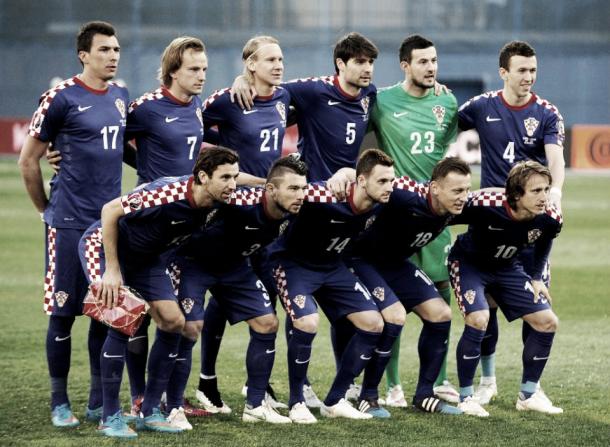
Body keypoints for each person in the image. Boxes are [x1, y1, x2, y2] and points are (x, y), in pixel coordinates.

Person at [232, 31, 380, 403]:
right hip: (306, 205)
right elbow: (268, 90)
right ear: (340, 64)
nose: (366, 69)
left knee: (339, 302)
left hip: (345, 211)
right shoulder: (313, 90)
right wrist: (241, 79)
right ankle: (260, 386)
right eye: (359, 62)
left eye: (370, 62)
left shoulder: (370, 96)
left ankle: (327, 389)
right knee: (275, 295)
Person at [78, 147, 239, 438]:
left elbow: (263, 190)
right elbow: (110, 210)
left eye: (235, 177)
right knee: (121, 319)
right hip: (104, 248)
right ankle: (109, 416)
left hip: (148, 260)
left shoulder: (220, 201)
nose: (233, 184)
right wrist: (112, 270)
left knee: (173, 321)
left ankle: (149, 411)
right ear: (203, 176)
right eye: (226, 177)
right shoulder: (168, 192)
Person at [18, 21, 128, 428]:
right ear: (84, 55)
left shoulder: (120, 96)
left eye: (116, 49)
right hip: (66, 222)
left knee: (105, 312)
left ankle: (99, 400)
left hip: (107, 226)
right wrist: (44, 209)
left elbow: (121, 146)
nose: (113, 56)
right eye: (104, 50)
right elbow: (28, 160)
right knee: (63, 313)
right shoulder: (59, 98)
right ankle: (59, 400)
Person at [458, 40, 565, 405]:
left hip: (530, 226)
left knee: (535, 303)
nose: (528, 77)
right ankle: (487, 380)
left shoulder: (547, 113)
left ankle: (530, 390)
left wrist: (556, 193)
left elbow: (555, 159)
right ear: (504, 71)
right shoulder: (480, 106)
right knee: (485, 305)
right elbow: (444, 127)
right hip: (491, 219)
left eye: (533, 70)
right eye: (521, 70)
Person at [194, 35, 294, 413]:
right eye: (269, 59)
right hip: (234, 212)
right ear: (250, 64)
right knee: (222, 294)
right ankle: (207, 379)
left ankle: (260, 384)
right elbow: (191, 128)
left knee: (266, 297)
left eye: (281, 58)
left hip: (268, 214)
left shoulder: (283, 98)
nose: (278, 64)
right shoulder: (227, 100)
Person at [172, 155, 309, 424]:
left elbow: (336, 186)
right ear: (271, 190)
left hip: (235, 268)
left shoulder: (297, 202)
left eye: (303, 188)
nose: (301, 195)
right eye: (294, 188)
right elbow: (211, 188)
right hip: (194, 264)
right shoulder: (240, 201)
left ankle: (255, 406)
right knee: (189, 328)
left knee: (267, 323)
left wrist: (343, 174)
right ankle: (173, 406)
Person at [263, 148, 396, 423]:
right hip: (293, 264)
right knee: (307, 323)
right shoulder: (323, 196)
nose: (389, 187)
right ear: (361, 182)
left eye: (391, 181)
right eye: (382, 181)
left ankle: (335, 400)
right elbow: (286, 195)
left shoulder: (384, 201)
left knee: (374, 323)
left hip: (333, 267)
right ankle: (297, 401)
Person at [368, 34, 460, 406]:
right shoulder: (382, 101)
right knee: (395, 304)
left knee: (441, 293)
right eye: (423, 62)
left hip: (436, 215)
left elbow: (444, 148)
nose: (431, 68)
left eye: (434, 61)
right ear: (405, 65)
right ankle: (392, 387)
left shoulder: (447, 101)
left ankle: (437, 379)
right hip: (395, 216)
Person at [121, 35, 209, 420]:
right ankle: (140, 396)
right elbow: (113, 141)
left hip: (186, 228)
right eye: (193, 69)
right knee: (143, 315)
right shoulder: (145, 107)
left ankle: (172, 397)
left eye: (204, 69)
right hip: (150, 227)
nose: (201, 75)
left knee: (184, 320)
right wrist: (144, 173)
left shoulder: (197, 107)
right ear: (173, 70)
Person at [344, 157, 470, 416]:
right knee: (394, 316)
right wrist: (342, 173)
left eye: (467, 190)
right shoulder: (404, 193)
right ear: (435, 188)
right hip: (361, 259)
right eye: (457, 190)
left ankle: (424, 394)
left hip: (395, 264)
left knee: (441, 314)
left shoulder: (457, 207)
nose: (463, 197)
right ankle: (369, 395)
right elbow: (364, 181)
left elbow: (493, 201)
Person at [448, 161, 563, 417]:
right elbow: (444, 212)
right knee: (479, 318)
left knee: (547, 321)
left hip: (507, 268)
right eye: (536, 191)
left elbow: (545, 241)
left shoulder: (551, 217)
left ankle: (529, 394)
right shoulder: (483, 203)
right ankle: (466, 397)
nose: (544, 197)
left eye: (546, 189)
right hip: (469, 264)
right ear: (516, 194)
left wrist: (535, 277)